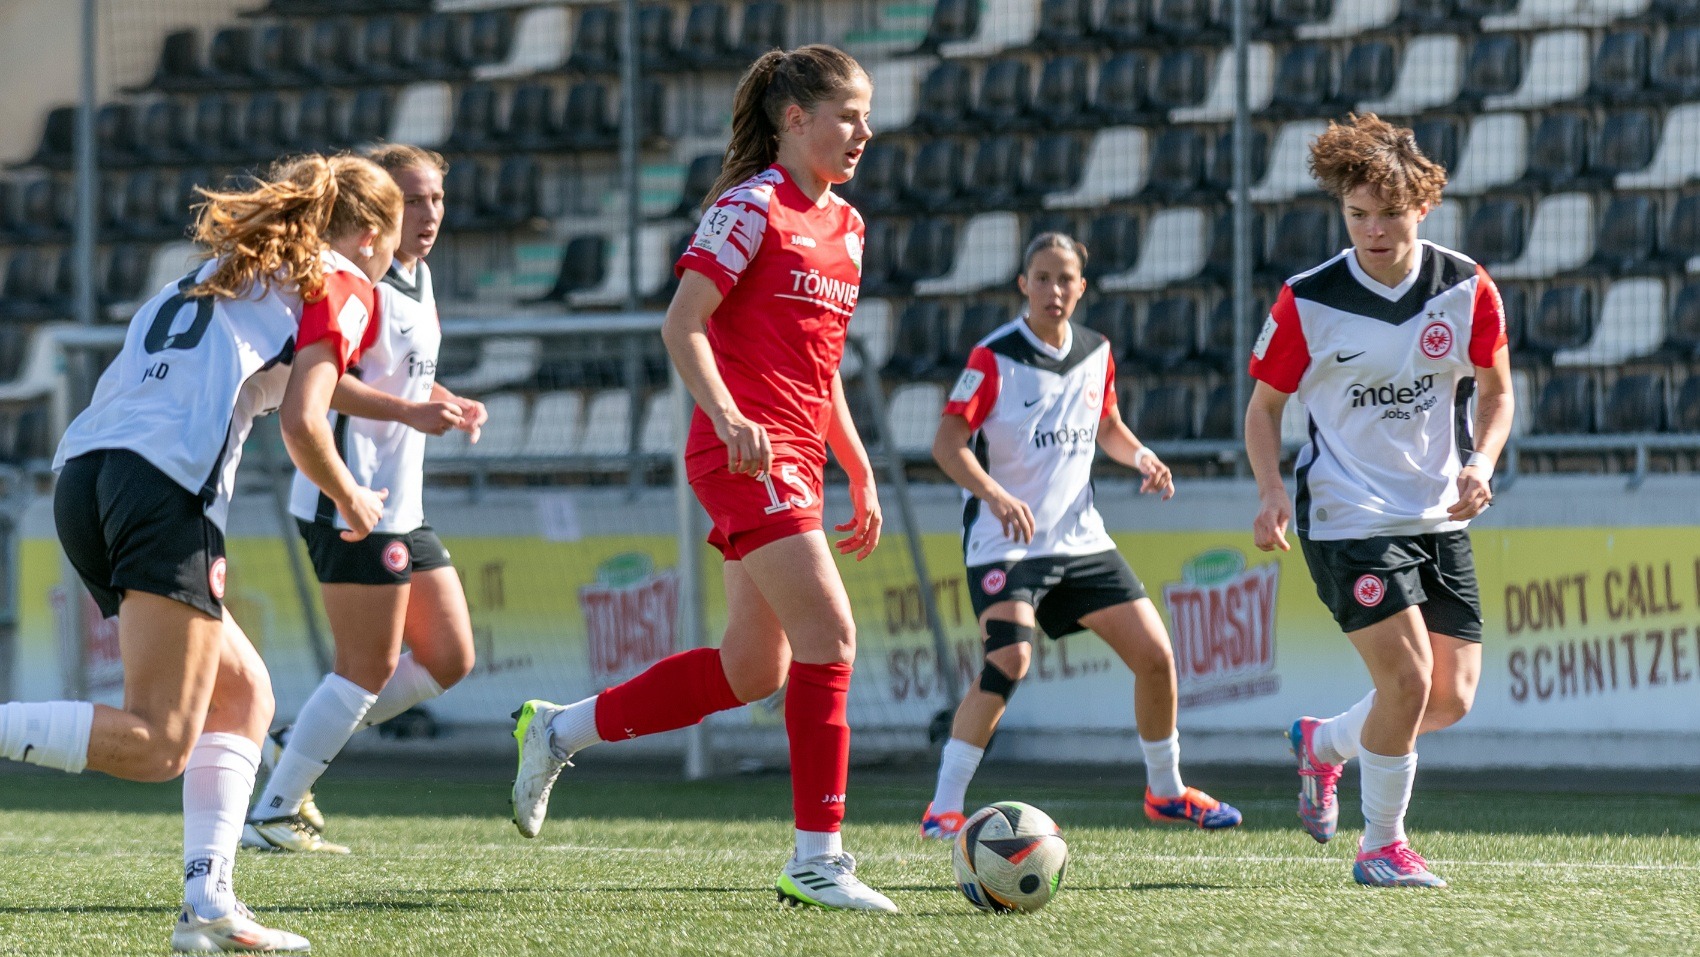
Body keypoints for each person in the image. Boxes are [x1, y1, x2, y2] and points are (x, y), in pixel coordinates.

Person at [508, 45, 897, 912]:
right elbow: (682, 326)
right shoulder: (749, 208)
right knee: (832, 636)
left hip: (795, 458)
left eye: (867, 115)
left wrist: (859, 465)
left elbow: (821, 365)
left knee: (754, 668)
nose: (865, 130)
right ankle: (817, 857)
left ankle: (557, 730)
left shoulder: (850, 226)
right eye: (849, 114)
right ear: (794, 120)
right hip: (741, 454)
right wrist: (728, 418)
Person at [3, 153, 403, 952]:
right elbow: (304, 419)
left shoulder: (229, 268)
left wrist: (405, 408)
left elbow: (275, 380)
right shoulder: (346, 279)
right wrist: (353, 496)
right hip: (163, 487)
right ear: (369, 235)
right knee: (158, 744)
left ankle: (208, 906)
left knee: (245, 694)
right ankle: (206, 905)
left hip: (87, 476)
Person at [1245, 112, 1513, 888]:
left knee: (1451, 695)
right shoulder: (1308, 299)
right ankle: (1382, 846)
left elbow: (1497, 394)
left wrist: (1482, 462)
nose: (1372, 230)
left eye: (1388, 215)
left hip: (1436, 514)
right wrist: (1271, 492)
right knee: (1407, 681)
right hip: (1346, 514)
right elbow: (1263, 410)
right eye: (1356, 215)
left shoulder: (1465, 287)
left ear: (1421, 206)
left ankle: (1323, 743)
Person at [919, 233, 1243, 840]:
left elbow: (1108, 424)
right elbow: (946, 445)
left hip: (1078, 539)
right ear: (1023, 284)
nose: (1053, 290)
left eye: (1065, 279)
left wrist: (1142, 456)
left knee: (1156, 657)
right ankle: (943, 806)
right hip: (1005, 540)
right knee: (1008, 660)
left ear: (1082, 287)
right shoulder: (993, 358)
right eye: (1041, 278)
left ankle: (1166, 793)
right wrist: (994, 494)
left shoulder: (1097, 351)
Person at [244, 144, 488, 854]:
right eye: (413, 200)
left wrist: (442, 399)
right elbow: (319, 385)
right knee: (366, 668)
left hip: (400, 505)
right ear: (378, 209)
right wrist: (410, 413)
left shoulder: (415, 275)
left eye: (437, 198)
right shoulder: (360, 282)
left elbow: (398, 378)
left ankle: (298, 741)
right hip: (346, 496)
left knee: (448, 657)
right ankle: (276, 811)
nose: (429, 213)